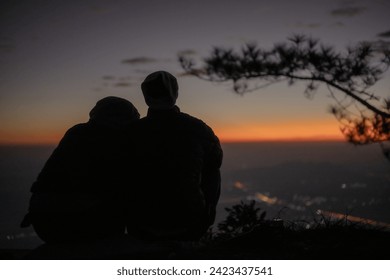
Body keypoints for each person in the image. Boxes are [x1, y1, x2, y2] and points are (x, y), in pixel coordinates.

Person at [21, 96, 140, 243]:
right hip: (77, 223)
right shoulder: (117, 143)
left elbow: (48, 180)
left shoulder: (76, 132)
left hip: (42, 220)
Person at [126, 71, 223, 241]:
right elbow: (214, 164)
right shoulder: (198, 128)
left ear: (146, 96)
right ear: (175, 94)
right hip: (190, 218)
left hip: (142, 219)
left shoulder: (131, 132)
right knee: (212, 171)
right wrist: (209, 207)